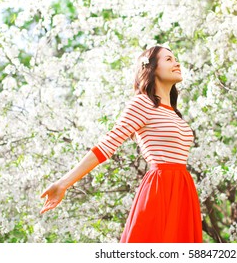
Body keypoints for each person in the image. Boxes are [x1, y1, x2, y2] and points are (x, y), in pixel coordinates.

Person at [40, 45, 203, 243]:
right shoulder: (142, 103)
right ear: (151, 68)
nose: (177, 63)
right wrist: (63, 183)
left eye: (176, 59)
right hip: (160, 190)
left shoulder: (173, 112)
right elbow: (107, 145)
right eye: (169, 59)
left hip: (183, 190)